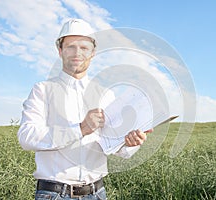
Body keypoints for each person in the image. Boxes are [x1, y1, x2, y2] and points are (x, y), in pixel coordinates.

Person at [17, 19, 150, 200]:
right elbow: (27, 137)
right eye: (70, 46)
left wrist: (130, 142)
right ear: (60, 51)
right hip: (54, 194)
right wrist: (80, 129)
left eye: (84, 48)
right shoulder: (43, 90)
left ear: (93, 53)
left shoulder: (105, 94)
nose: (77, 53)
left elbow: (117, 147)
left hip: (96, 193)